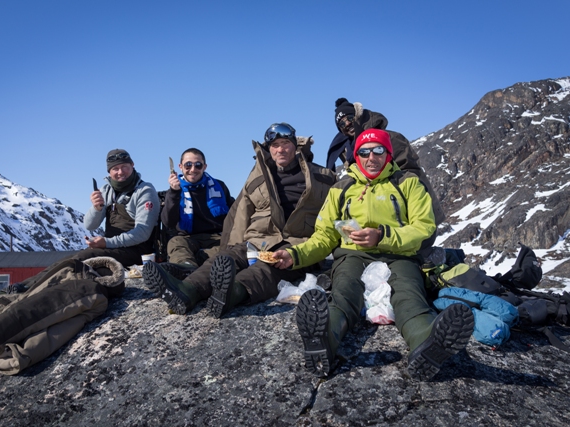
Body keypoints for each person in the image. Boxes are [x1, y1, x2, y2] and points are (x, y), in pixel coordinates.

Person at [273, 129, 474, 381]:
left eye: (378, 150)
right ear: (356, 156)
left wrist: (382, 235)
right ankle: (324, 339)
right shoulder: (341, 189)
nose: (371, 157)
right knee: (344, 291)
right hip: (353, 254)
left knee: (409, 296)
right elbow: (324, 236)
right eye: (364, 152)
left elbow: (424, 227)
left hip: (400, 254)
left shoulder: (408, 183)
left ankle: (427, 341)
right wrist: (294, 255)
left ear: (388, 154)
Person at [142, 123, 335, 318]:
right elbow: (239, 214)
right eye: (275, 145)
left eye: (285, 143)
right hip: (259, 240)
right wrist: (230, 249)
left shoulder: (322, 177)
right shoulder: (258, 176)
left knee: (266, 269)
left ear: (295, 146)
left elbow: (337, 214)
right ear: (269, 148)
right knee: (226, 259)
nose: (280, 149)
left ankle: (232, 293)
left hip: (296, 244)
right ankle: (187, 291)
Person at [0, 148, 160, 304]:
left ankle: (20, 291)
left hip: (137, 251)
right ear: (108, 171)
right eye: (115, 168)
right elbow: (89, 224)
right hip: (113, 247)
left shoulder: (144, 191)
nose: (120, 172)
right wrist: (96, 208)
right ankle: (19, 289)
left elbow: (143, 233)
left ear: (132, 165)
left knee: (80, 259)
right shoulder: (106, 190)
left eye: (124, 167)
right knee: (70, 259)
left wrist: (106, 243)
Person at [327, 98, 445, 253]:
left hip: (407, 220)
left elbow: (410, 174)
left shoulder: (390, 139)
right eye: (341, 124)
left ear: (358, 116)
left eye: (349, 118)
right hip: (377, 227)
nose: (347, 124)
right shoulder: (349, 148)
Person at [160, 148, 235, 275]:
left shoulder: (219, 187)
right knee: (175, 242)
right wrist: (174, 193)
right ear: (180, 167)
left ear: (204, 167)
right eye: (188, 165)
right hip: (189, 238)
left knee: (233, 248)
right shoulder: (174, 191)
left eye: (198, 165)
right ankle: (186, 268)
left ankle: (195, 262)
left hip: (218, 237)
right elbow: (168, 222)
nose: (193, 169)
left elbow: (234, 214)